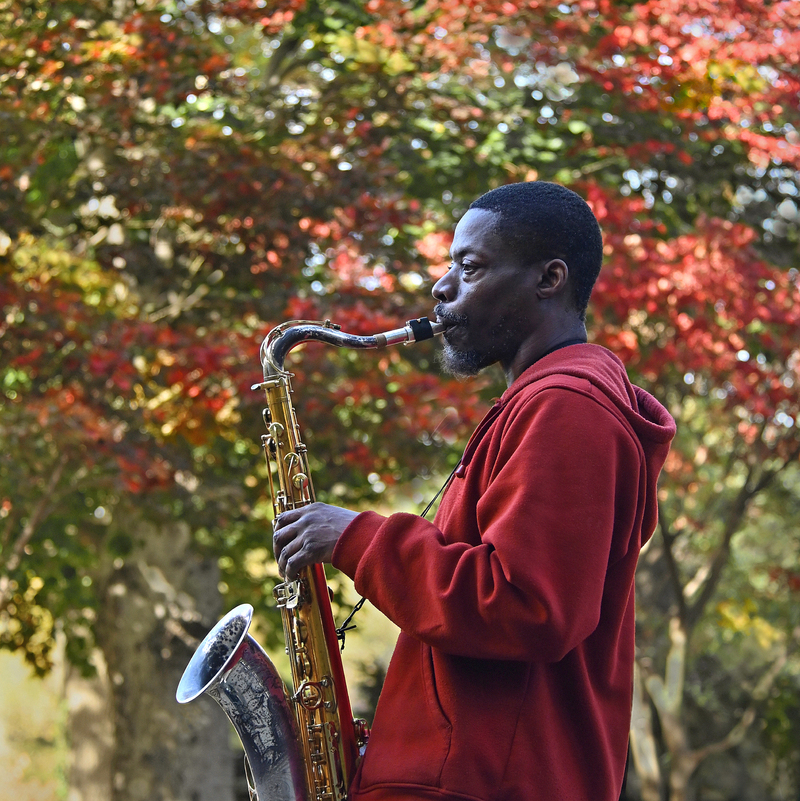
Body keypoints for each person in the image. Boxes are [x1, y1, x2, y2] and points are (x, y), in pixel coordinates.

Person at [272, 181, 676, 801]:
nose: (441, 287)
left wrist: (356, 538)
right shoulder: (543, 403)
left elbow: (527, 607)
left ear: (549, 279)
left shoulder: (567, 408)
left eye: (470, 267)